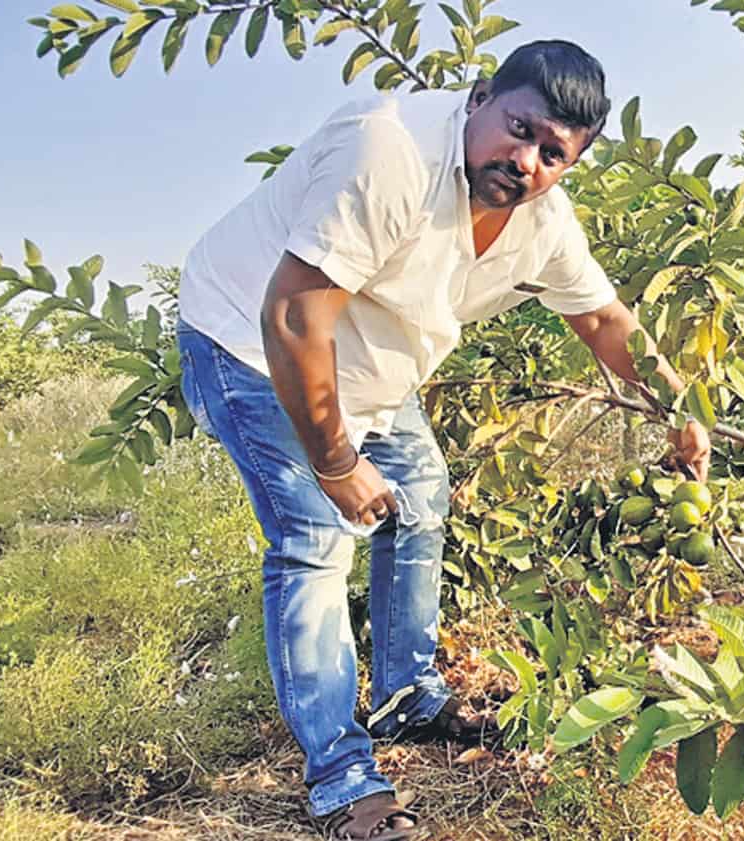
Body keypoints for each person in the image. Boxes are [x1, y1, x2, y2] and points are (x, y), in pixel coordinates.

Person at [175, 39, 710, 841]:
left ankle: (405, 693)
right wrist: (336, 463)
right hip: (250, 342)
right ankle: (342, 777)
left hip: (365, 365)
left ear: (571, 164)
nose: (526, 159)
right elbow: (292, 317)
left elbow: (602, 320)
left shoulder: (542, 223)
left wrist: (680, 405)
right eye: (518, 127)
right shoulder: (386, 150)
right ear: (480, 96)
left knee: (421, 496)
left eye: (552, 153)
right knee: (318, 540)